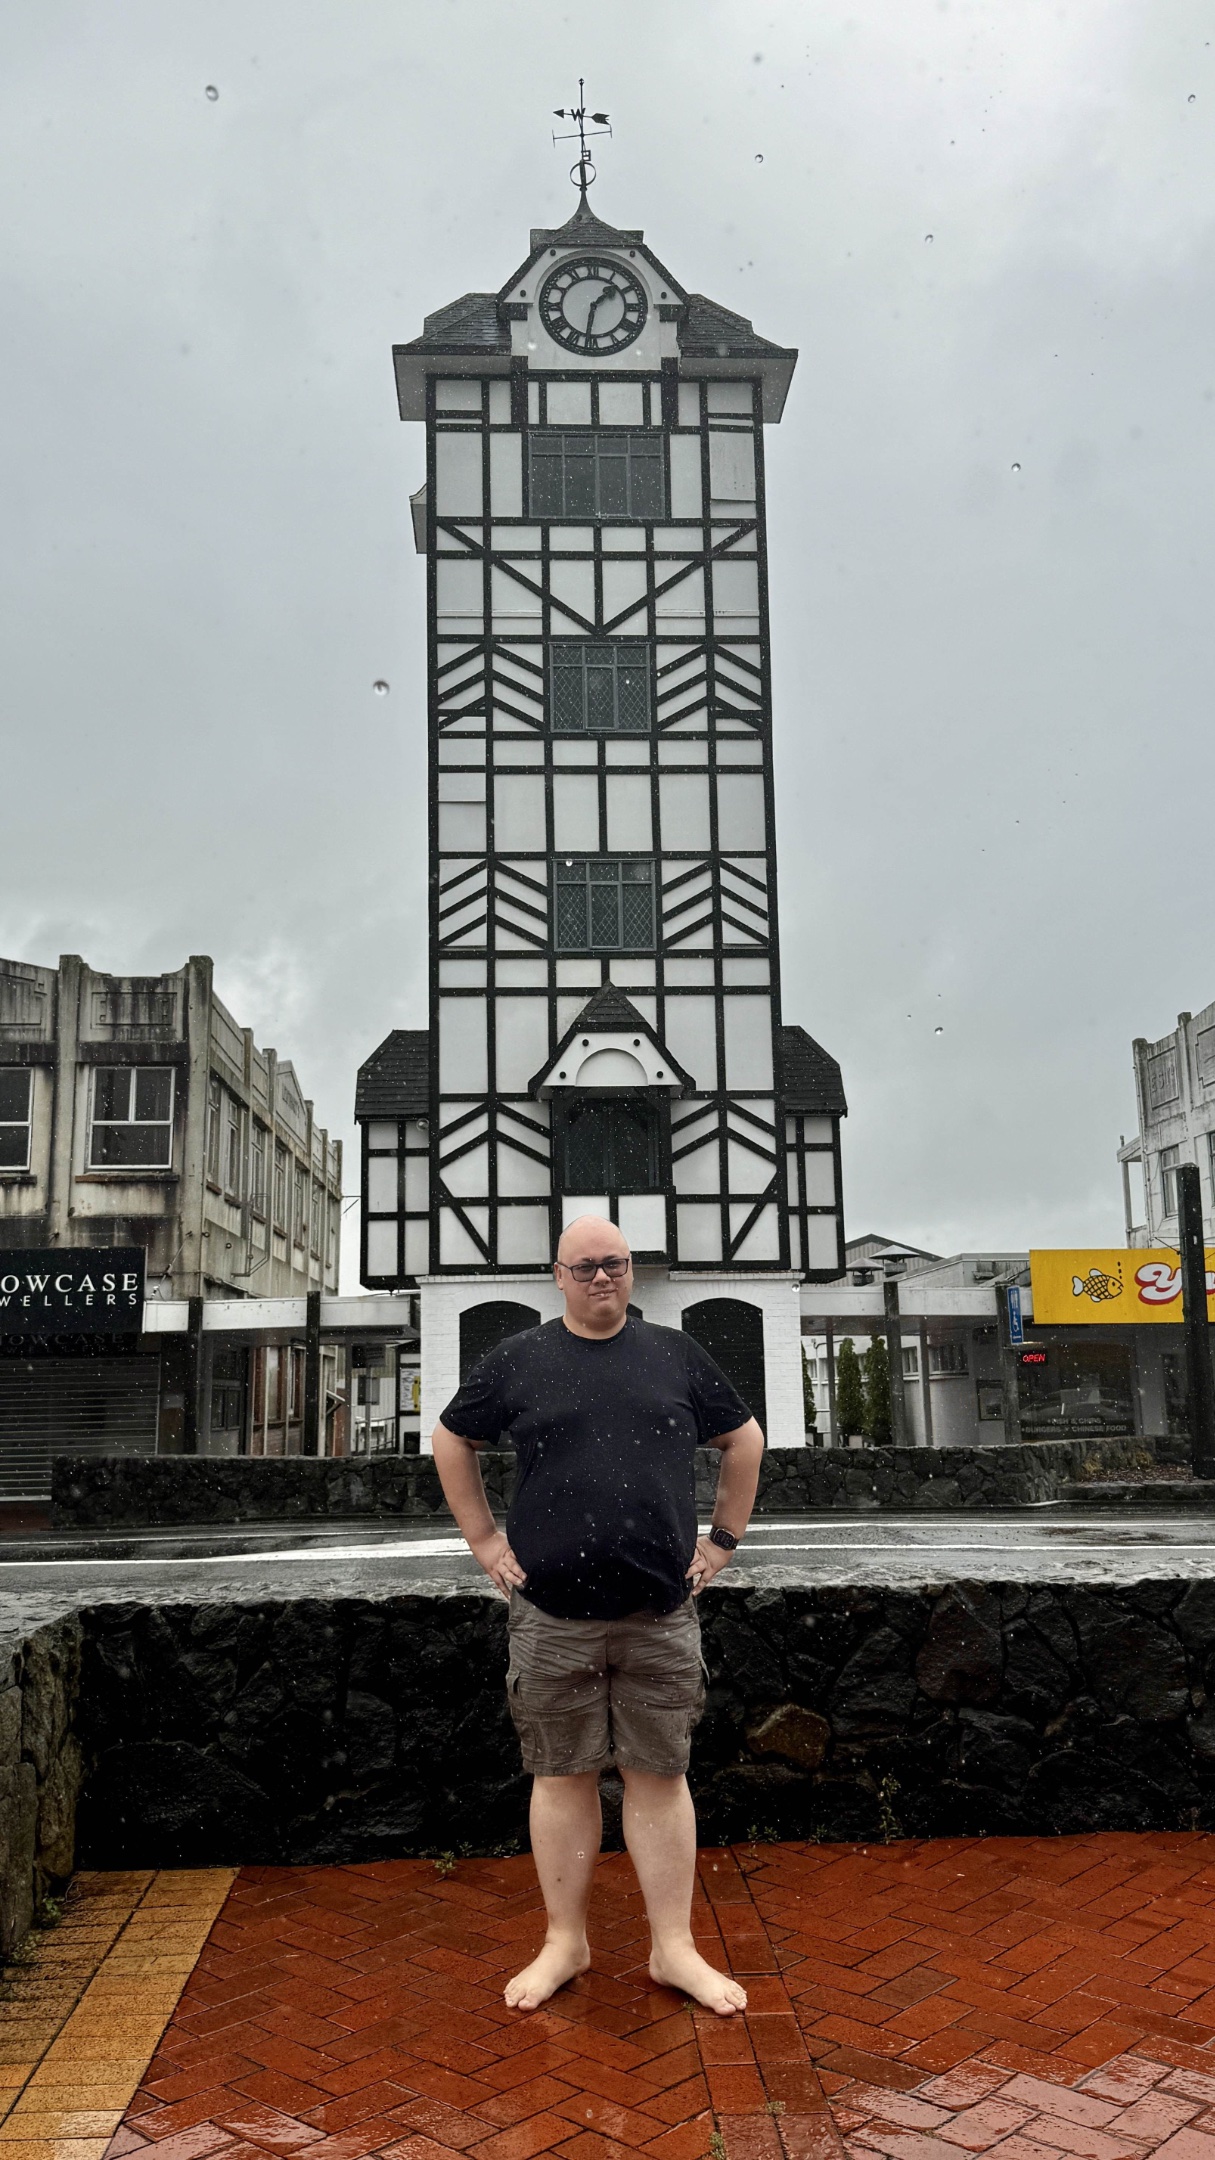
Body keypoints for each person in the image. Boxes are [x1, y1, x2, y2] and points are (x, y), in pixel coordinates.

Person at [432, 1213, 765, 2017]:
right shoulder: (518, 1360)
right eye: (583, 1267)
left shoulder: (674, 1354)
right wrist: (483, 1540)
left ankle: (671, 1949)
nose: (600, 1279)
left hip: (658, 1608)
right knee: (560, 1776)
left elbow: (744, 1440)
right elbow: (450, 1439)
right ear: (557, 1275)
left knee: (660, 1776)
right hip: (551, 1613)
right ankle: (564, 1941)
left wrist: (721, 1541)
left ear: (632, 1271)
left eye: (612, 1264)